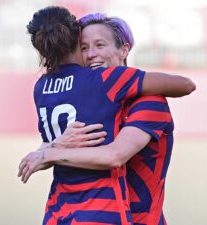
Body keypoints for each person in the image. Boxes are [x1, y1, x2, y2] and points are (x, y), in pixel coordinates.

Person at [18, 6, 195, 225]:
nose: (91, 54)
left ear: (124, 50)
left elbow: (114, 155)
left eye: (100, 45)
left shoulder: (150, 102)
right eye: (84, 47)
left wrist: (50, 152)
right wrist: (54, 146)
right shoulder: (91, 96)